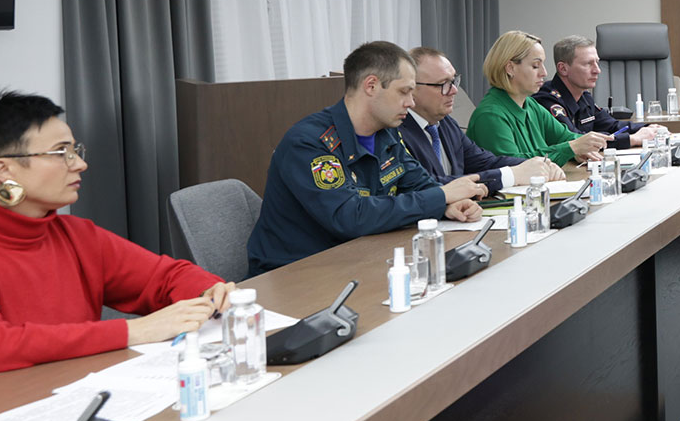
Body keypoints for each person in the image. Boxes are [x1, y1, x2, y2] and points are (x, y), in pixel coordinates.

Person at [0, 91, 237, 383]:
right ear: (4, 170)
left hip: (81, 391)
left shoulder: (77, 235)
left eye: (75, 151)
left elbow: (164, 277)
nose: (79, 164)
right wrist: (134, 331)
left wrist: (207, 292)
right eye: (61, 153)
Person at [249, 42, 485, 275]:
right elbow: (350, 217)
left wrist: (447, 206)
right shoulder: (310, 143)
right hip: (295, 272)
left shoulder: (386, 133)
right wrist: (441, 196)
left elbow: (419, 184)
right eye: (404, 91)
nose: (411, 102)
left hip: (358, 259)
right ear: (371, 86)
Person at [402, 47, 559, 195]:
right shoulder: (398, 133)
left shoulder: (446, 124)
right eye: (443, 84)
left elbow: (485, 162)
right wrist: (511, 175)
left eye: (454, 81)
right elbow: (429, 187)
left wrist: (536, 165)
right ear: (412, 88)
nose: (454, 90)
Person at [465, 32, 609, 165]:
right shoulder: (490, 115)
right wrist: (571, 148)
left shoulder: (530, 104)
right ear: (510, 68)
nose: (544, 73)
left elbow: (565, 137)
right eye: (535, 66)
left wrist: (583, 146)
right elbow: (514, 166)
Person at [533, 35, 668, 151]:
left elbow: (612, 126)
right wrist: (632, 139)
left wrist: (648, 128)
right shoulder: (547, 100)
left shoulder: (584, 96)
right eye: (588, 64)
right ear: (563, 69)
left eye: (597, 63)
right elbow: (577, 142)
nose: (597, 70)